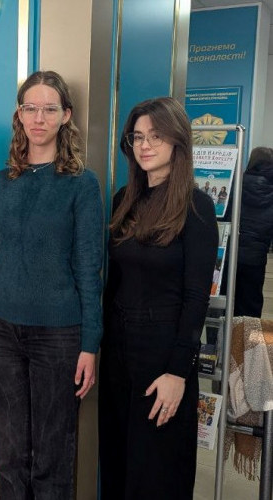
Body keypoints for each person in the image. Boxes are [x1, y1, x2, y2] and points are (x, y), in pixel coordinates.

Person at [0, 70, 103, 499]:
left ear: (66, 116)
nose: (39, 118)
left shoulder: (82, 184)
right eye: (31, 108)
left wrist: (90, 344)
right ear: (19, 115)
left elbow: (89, 268)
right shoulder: (1, 182)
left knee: (51, 458)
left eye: (49, 109)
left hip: (58, 336)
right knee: (8, 456)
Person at [98, 97, 218, 500]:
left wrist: (178, 373)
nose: (145, 145)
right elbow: (114, 283)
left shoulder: (196, 207)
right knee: (117, 463)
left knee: (157, 471)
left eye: (155, 136)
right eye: (137, 137)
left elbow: (196, 298)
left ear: (177, 141)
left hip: (163, 356)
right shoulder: (124, 200)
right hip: (118, 352)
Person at [233, 146, 273, 317]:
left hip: (231, 254)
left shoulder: (236, 183)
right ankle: (248, 335)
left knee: (227, 301)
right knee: (250, 305)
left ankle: (224, 334)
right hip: (256, 258)